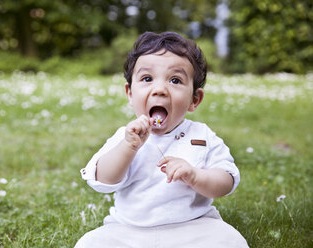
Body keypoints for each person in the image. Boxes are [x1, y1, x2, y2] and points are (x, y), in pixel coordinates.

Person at [75, 31, 248, 248]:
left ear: (194, 99)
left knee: (231, 240)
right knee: (90, 243)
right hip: (129, 230)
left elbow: (226, 182)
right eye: (147, 79)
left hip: (193, 227)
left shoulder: (202, 137)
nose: (159, 90)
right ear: (130, 93)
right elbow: (103, 180)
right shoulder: (126, 137)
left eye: (175, 80)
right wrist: (128, 148)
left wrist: (195, 176)